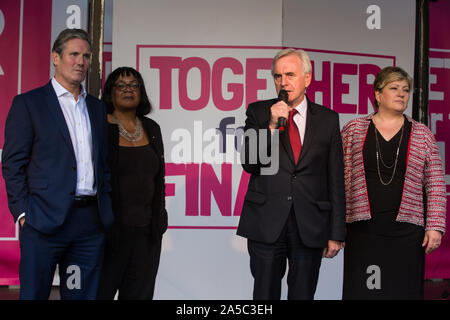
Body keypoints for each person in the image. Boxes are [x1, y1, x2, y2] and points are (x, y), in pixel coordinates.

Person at [1, 28, 114, 299]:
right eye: (73, 54)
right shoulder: (29, 104)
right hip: (42, 221)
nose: (81, 62)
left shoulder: (97, 109)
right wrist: (23, 214)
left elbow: (104, 164)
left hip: (89, 224)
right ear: (55, 57)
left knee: (81, 296)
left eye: (86, 56)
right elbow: (12, 164)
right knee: (34, 295)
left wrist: (105, 208)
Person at [237, 48, 346, 300]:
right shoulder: (259, 112)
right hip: (266, 222)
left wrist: (336, 232)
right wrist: (272, 126)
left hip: (310, 224)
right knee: (264, 296)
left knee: (303, 295)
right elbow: (250, 163)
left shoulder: (328, 119)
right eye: (277, 76)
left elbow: (335, 178)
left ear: (307, 78)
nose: (283, 82)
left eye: (290, 75)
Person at [341, 66, 446, 300]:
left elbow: (435, 183)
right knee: (364, 293)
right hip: (362, 232)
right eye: (394, 88)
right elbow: (340, 179)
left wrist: (435, 226)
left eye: (406, 90)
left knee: (403, 293)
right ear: (378, 95)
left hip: (407, 233)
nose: (402, 94)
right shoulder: (354, 130)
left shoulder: (422, 133)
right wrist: (336, 226)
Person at [96, 67, 167, 300]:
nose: (128, 89)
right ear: (110, 93)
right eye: (121, 85)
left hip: (147, 235)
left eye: (134, 85)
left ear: (141, 92)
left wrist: (159, 223)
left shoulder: (152, 128)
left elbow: (158, 180)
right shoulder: (100, 127)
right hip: (108, 235)